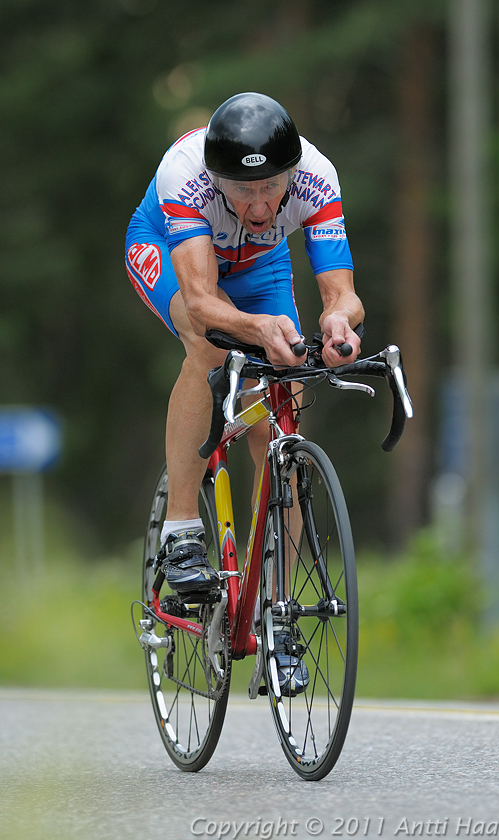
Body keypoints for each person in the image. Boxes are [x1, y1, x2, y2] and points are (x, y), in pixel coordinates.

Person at [126, 91, 364, 598]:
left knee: (284, 400)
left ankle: (275, 600)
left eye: (271, 187)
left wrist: (339, 322)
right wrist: (256, 329)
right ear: (217, 180)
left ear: (291, 174)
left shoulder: (317, 176)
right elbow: (199, 301)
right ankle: (181, 530)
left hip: (259, 263)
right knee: (211, 347)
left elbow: (341, 293)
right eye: (242, 190)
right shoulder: (185, 173)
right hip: (172, 251)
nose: (259, 205)